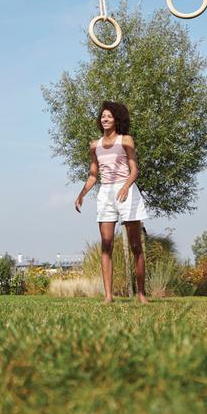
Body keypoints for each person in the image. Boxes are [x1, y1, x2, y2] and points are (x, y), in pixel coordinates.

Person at [74, 101, 148, 303]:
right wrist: (82, 194)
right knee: (106, 245)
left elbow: (135, 170)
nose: (105, 119)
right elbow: (92, 175)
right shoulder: (94, 146)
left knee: (135, 246)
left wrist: (125, 187)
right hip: (105, 192)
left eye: (109, 116)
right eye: (102, 116)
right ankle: (108, 296)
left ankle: (141, 295)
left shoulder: (126, 141)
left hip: (127, 191)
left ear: (116, 119)